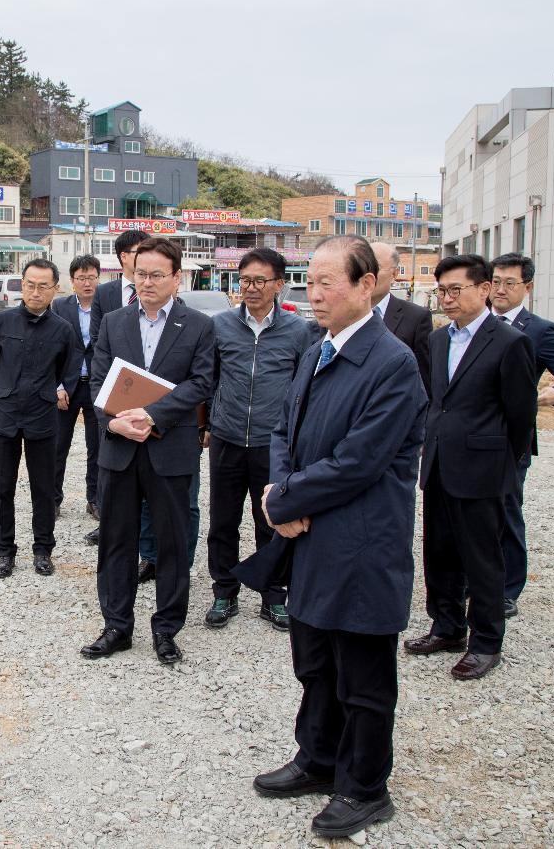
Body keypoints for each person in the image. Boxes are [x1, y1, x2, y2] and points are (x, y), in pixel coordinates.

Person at [247, 235, 427, 839]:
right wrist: (278, 496)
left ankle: (365, 787)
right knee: (315, 664)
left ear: (366, 285)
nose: (315, 294)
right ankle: (318, 759)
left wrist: (287, 500)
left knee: (364, 678)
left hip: (361, 547)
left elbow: (358, 462)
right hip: (311, 540)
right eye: (311, 281)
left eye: (329, 282)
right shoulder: (318, 349)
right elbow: (282, 429)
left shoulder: (392, 364)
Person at [81, 237, 215, 665]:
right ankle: (117, 626)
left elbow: (202, 381)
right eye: (141, 274)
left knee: (172, 543)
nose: (148, 282)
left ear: (178, 277)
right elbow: (99, 379)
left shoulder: (198, 325)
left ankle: (167, 629)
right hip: (120, 448)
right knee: (116, 541)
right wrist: (112, 421)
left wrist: (154, 413)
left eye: (158, 275)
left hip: (169, 448)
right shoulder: (115, 322)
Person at [405, 254, 536, 682]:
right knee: (439, 553)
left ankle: (486, 642)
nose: (447, 298)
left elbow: (521, 417)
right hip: (440, 464)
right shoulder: (440, 340)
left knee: (482, 559)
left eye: (455, 290)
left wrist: (500, 462)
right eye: (441, 291)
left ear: (483, 289)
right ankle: (446, 627)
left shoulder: (509, 342)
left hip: (483, 470)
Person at [203, 247, 310, 632]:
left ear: (279, 285)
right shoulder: (221, 326)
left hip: (273, 443)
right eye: (244, 280)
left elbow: (304, 390)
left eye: (259, 280)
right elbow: (209, 379)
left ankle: (274, 594)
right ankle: (224, 590)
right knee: (223, 520)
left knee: (271, 520)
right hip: (228, 437)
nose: (250, 288)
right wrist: (208, 424)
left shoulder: (299, 331)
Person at [489, 252, 554, 618]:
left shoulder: (539, 330)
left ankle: (509, 589)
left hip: (513, 437)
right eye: (495, 281)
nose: (500, 289)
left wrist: (552, 395)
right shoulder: (473, 321)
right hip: (470, 435)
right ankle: (471, 579)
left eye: (509, 283)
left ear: (527, 287)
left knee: (507, 510)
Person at [0, 258, 81, 579]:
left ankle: (42, 550)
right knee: (1, 488)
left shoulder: (63, 330)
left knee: (43, 488)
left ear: (55, 289)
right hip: (4, 414)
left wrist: (52, 392)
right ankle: (4, 552)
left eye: (43, 286)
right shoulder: (2, 322)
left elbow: (68, 371)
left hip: (42, 417)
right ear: (21, 284)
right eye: (29, 284)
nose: (35, 292)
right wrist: (6, 391)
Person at [83, 229, 149, 546]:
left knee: (147, 461)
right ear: (124, 256)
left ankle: (145, 532)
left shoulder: (159, 288)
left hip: (151, 395)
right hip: (115, 390)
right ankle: (107, 523)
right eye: (140, 250)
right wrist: (118, 387)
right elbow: (97, 342)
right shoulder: (106, 293)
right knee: (108, 459)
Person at [52, 254, 101, 521]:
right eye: (81, 278)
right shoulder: (60, 307)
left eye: (91, 277)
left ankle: (95, 500)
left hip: (96, 387)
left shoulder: (106, 308)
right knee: (58, 446)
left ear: (98, 279)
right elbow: (50, 349)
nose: (86, 283)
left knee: (98, 448)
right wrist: (57, 386)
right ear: (72, 281)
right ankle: (53, 499)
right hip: (66, 388)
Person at [369, 242, 433, 395]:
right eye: (363, 266)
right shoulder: (344, 314)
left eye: (375, 267)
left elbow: (423, 379)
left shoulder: (416, 318)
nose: (368, 274)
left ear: (394, 274)